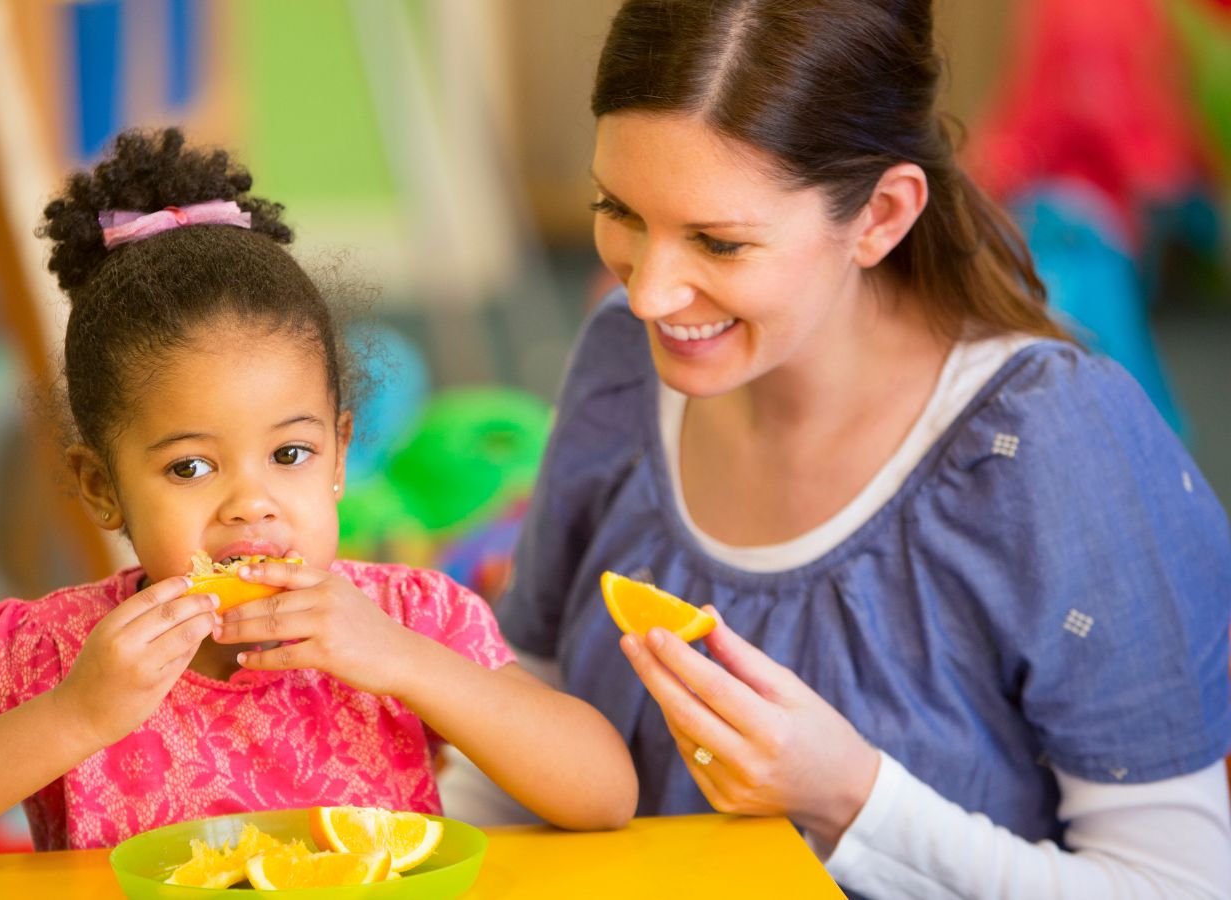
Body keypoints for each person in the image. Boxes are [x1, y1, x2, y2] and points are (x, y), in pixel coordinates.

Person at [490, 1, 1231, 897]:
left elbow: (1177, 886)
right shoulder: (621, 356)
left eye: (719, 241)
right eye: (621, 211)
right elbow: (515, 713)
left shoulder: (1056, 446)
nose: (649, 294)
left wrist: (850, 796)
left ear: (881, 214)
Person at [0, 128, 636, 872]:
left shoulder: (411, 618)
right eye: (189, 468)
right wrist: (76, 716)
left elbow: (604, 794)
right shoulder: (50, 652)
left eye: (290, 454)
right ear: (102, 487)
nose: (252, 503)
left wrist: (402, 662)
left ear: (340, 458)